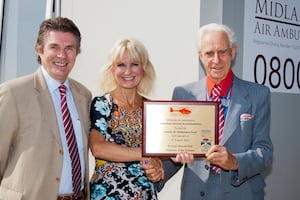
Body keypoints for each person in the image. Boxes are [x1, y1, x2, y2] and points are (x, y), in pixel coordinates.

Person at [156, 23, 273, 200]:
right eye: (209, 53)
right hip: (195, 193)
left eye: (222, 52)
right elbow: (178, 151)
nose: (216, 60)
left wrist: (235, 161)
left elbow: (264, 152)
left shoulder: (258, 94)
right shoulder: (183, 94)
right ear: (200, 56)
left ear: (233, 52)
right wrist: (160, 170)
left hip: (241, 193)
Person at [0, 17, 92, 200]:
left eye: (69, 48)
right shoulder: (13, 93)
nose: (62, 55)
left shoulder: (84, 96)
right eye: (54, 47)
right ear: (40, 50)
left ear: (77, 53)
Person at [89, 38, 164, 200]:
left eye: (134, 64)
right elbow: (98, 148)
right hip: (107, 195)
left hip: (144, 195)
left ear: (144, 68)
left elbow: (158, 153)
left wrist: (156, 165)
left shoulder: (152, 108)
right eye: (121, 65)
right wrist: (144, 155)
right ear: (111, 69)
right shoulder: (102, 104)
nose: (128, 71)